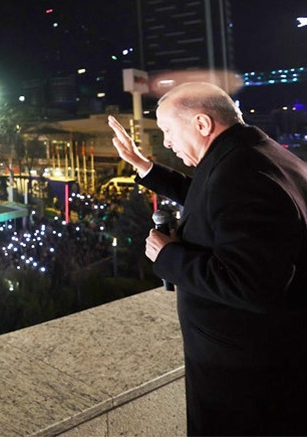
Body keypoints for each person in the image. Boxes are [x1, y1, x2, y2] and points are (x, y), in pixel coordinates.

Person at [108, 82, 307, 435]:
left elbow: (252, 286)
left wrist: (168, 255)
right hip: (260, 362)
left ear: (202, 124)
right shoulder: (252, 154)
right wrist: (144, 166)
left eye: (168, 130)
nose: (166, 142)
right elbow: (209, 197)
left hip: (244, 379)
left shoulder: (242, 175)